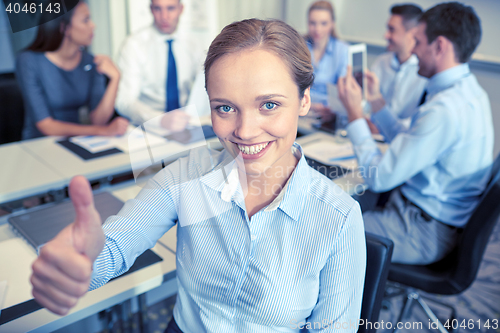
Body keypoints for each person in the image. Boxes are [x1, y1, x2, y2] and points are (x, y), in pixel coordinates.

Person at [30, 19, 366, 333]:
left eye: (269, 105)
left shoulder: (338, 218)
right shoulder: (186, 175)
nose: (245, 132)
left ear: (304, 100)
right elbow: (117, 245)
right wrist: (79, 263)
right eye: (225, 108)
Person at [338, 2, 494, 265]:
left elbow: (379, 176)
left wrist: (355, 114)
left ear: (440, 46)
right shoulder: (469, 91)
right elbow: (411, 138)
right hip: (433, 217)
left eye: (418, 42)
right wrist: (376, 102)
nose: (413, 51)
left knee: (334, 226)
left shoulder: (445, 109)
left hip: (423, 229)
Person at [16, 0, 129, 140]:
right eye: (86, 20)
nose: (93, 25)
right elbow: (46, 125)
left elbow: (98, 120)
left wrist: (115, 79)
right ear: (64, 27)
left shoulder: (91, 62)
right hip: (39, 144)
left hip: (78, 141)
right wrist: (103, 131)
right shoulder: (28, 61)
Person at [115, 0, 204, 131]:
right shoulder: (133, 45)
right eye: (158, 9)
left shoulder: (193, 44)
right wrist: (159, 119)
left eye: (170, 8)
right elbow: (124, 100)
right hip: (148, 125)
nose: (164, 16)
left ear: (181, 9)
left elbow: (204, 86)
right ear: (151, 9)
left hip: (187, 123)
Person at [368, 4, 427, 124]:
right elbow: (366, 105)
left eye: (392, 29)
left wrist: (381, 126)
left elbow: (420, 122)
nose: (386, 35)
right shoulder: (381, 62)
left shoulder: (425, 72)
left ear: (413, 33)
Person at [306, 0, 349, 121]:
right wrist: (310, 106)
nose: (317, 29)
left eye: (324, 23)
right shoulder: (300, 46)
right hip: (302, 111)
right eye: (312, 23)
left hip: (329, 116)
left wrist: (332, 111)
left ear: (332, 24)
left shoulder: (343, 50)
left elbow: (343, 93)